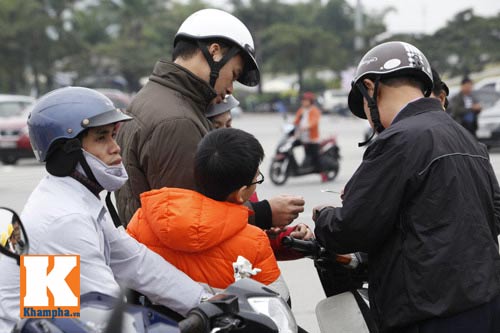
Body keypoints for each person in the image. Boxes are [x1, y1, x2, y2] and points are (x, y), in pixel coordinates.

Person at [313, 41, 500, 333]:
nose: (370, 120)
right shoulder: (465, 137)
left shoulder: (398, 140)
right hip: (483, 304)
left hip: (428, 313)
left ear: (370, 87)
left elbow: (350, 229)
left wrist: (324, 216)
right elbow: (494, 213)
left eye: (363, 104)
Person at [0, 87, 213, 330]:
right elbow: (105, 313)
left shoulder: (75, 198)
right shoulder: (63, 220)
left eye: (113, 135)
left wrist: (205, 302)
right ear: (67, 153)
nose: (116, 147)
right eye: (101, 138)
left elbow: (136, 262)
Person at [116, 8, 304, 231]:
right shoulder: (177, 120)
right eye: (233, 74)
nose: (230, 89)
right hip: (175, 263)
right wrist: (264, 213)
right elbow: (190, 222)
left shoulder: (153, 97)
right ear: (215, 52)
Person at [127, 128, 289, 300]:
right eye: (257, 179)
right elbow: (279, 301)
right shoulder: (254, 241)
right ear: (241, 193)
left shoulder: (142, 219)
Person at [293, 92, 321, 172]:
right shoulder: (301, 110)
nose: (304, 102)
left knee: (316, 158)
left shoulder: (314, 110)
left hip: (312, 138)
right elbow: (296, 120)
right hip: (302, 137)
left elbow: (314, 121)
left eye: (306, 100)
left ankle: (323, 173)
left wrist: (307, 126)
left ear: (311, 101)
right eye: (303, 100)